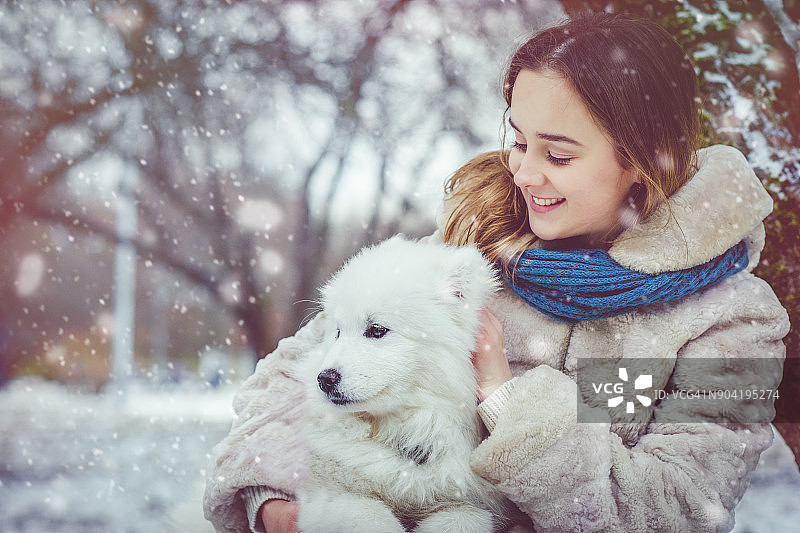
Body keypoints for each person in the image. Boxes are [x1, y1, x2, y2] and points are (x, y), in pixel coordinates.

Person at [203, 12, 789, 533]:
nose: (525, 173)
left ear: (641, 160)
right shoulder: (462, 251)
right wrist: (275, 504)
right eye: (518, 141)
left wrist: (506, 399)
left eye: (558, 155)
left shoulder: (734, 322)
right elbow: (291, 381)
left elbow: (678, 511)